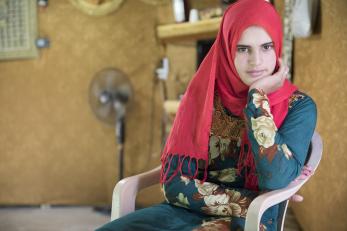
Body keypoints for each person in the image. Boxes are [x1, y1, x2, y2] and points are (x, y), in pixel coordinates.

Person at [96, 0, 316, 230]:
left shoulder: (299, 107)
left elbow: (276, 179)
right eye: (243, 49)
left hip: (249, 221)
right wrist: (247, 201)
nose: (256, 61)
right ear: (227, 49)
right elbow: (173, 185)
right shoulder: (203, 98)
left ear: (278, 45)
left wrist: (257, 97)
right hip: (183, 211)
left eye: (266, 47)